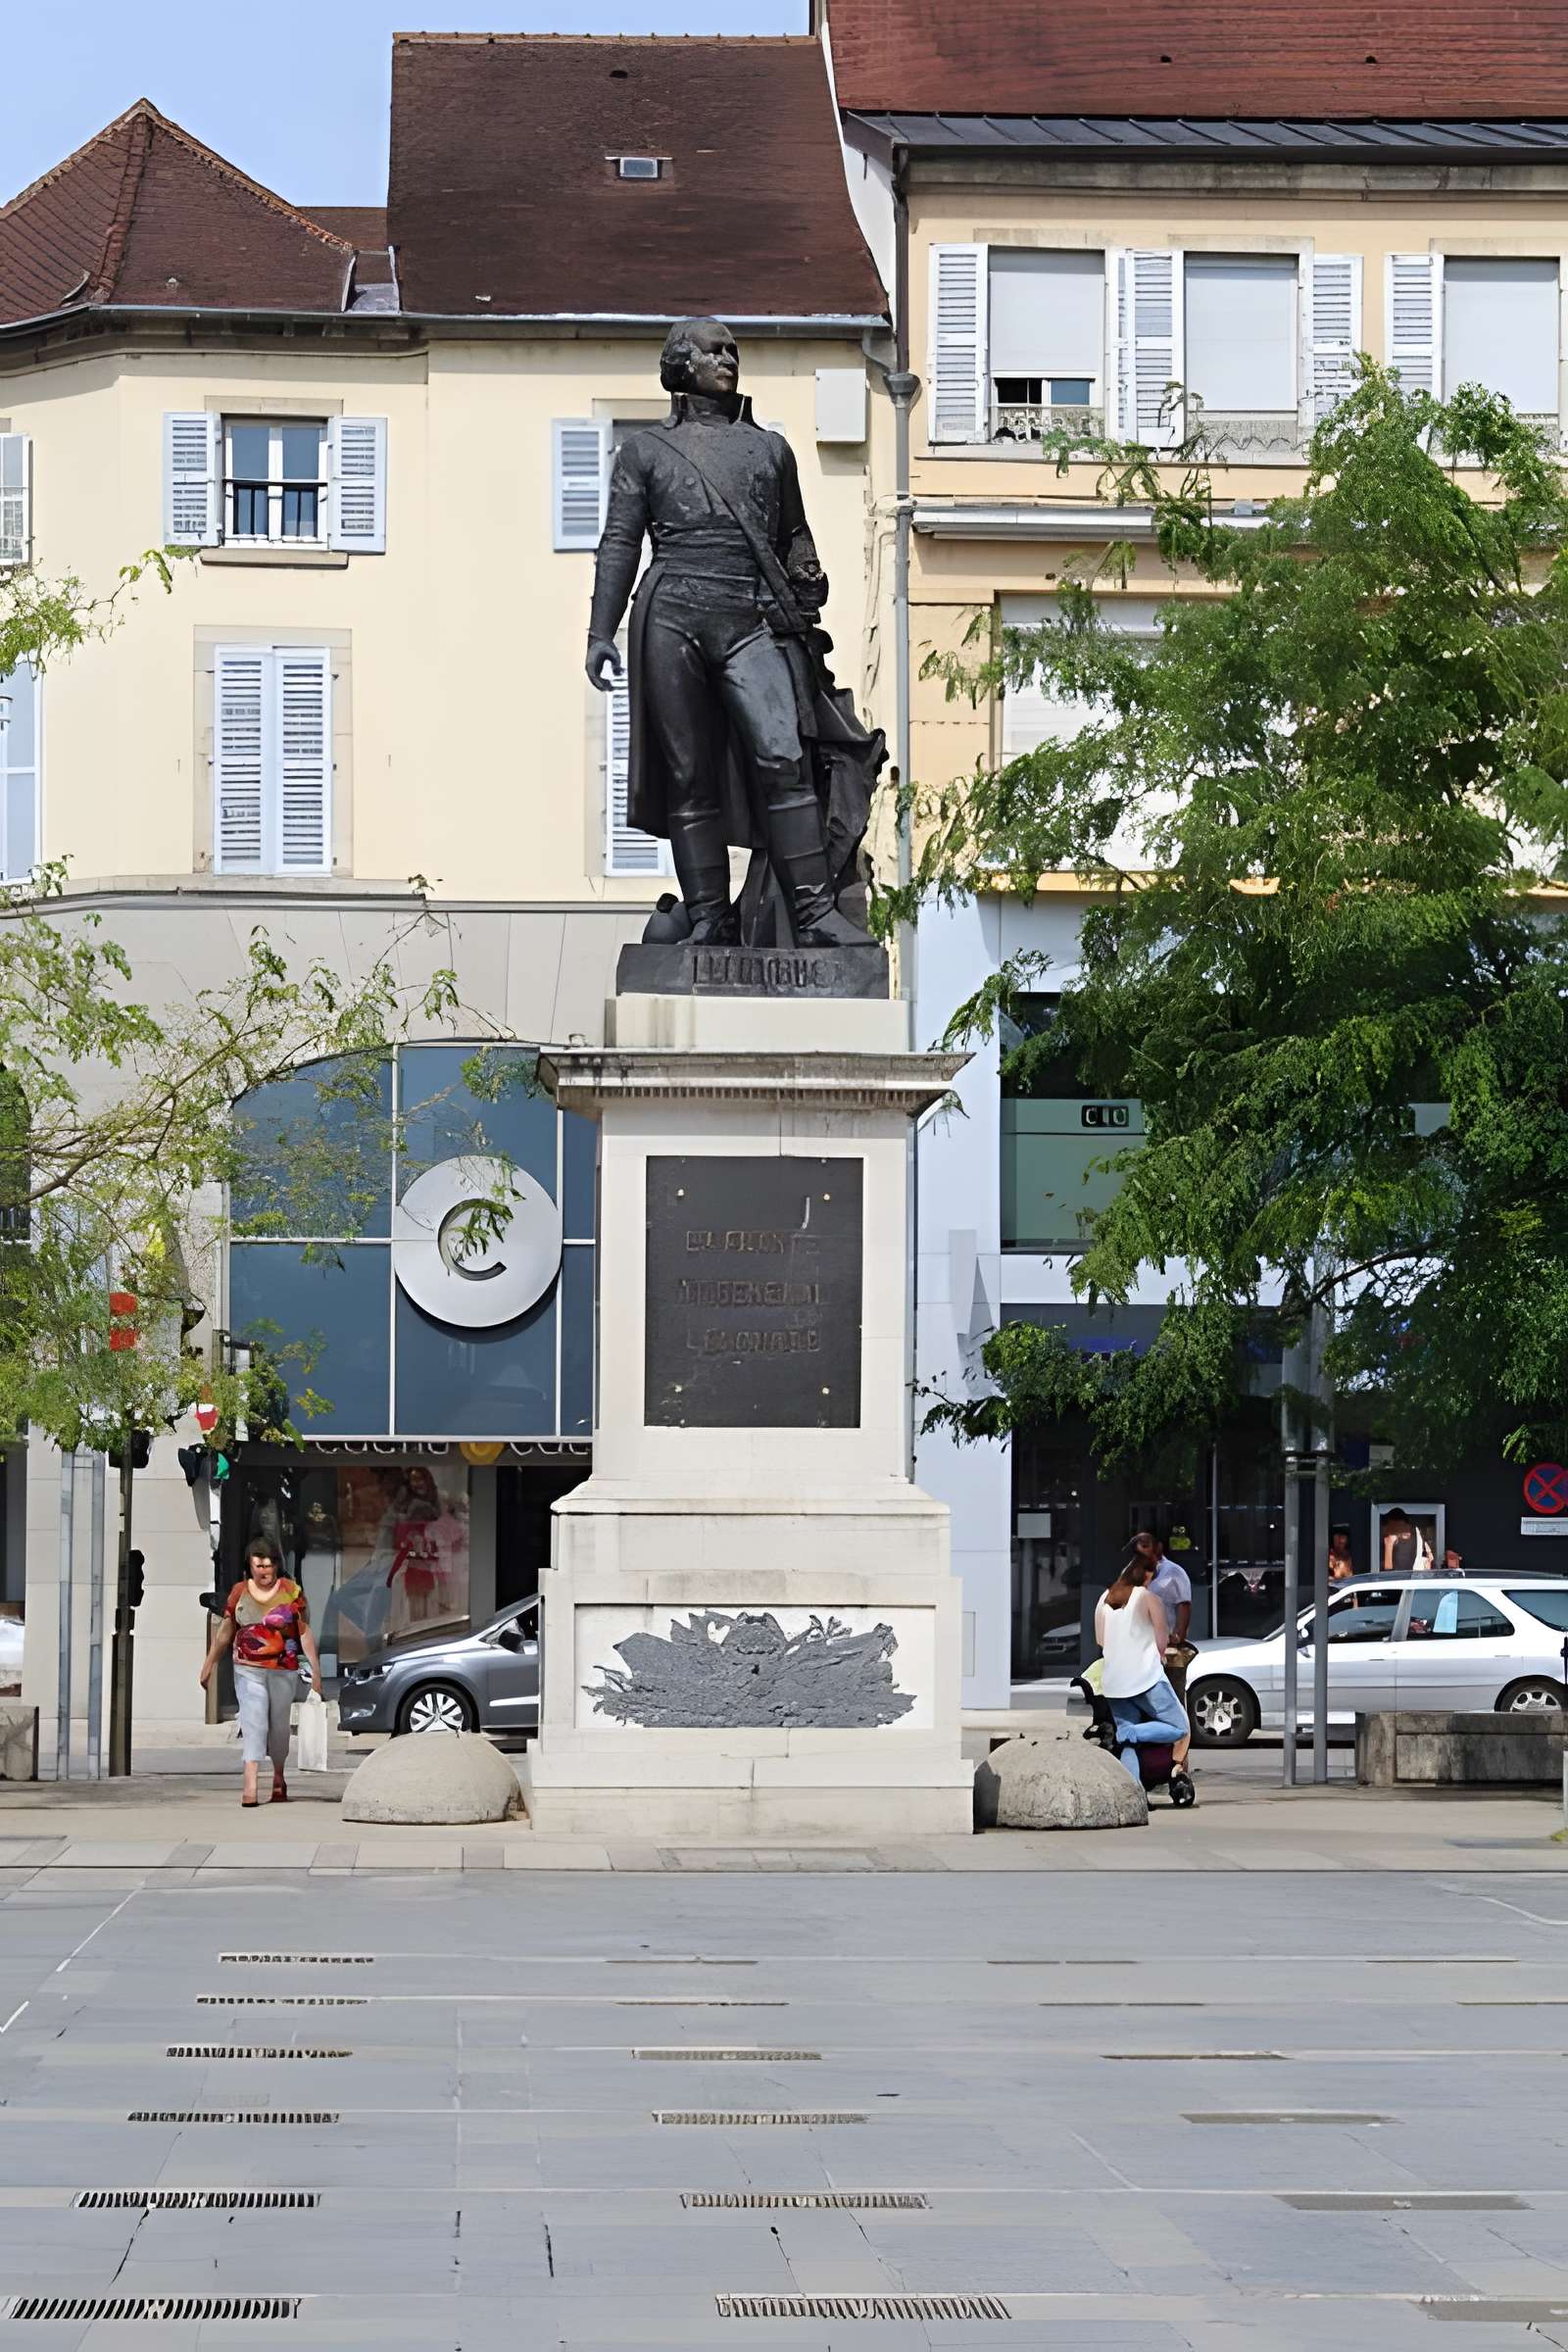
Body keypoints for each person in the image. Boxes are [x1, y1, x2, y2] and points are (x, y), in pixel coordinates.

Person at [585, 318, 879, 949]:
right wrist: (599, 630)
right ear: (681, 365)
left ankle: (812, 913)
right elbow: (619, 542)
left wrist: (807, 576)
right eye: (714, 349)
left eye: (733, 350)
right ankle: (711, 919)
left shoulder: (771, 449)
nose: (728, 357)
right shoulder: (643, 451)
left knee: (785, 757)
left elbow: (792, 535)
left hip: (751, 614)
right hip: (672, 614)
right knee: (689, 776)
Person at [200, 1537, 320, 1808]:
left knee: (279, 1726)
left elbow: (304, 1632)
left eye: (268, 1565)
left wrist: (316, 1671)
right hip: (248, 1668)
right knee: (254, 1721)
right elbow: (225, 1632)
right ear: (250, 1567)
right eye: (258, 1566)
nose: (264, 1571)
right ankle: (250, 1782)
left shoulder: (291, 1591)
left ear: (276, 1565)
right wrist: (209, 1664)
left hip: (283, 1669)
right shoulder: (239, 1592)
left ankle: (278, 1775)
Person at [1095, 1555, 1189, 1783]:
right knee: (1179, 1728)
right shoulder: (1148, 1598)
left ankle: (1133, 1794)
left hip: (1114, 1681)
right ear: (1146, 1576)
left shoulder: (1103, 1599)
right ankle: (1130, 1732)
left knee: (1129, 1744)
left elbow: (1101, 1641)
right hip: (1146, 1678)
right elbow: (1162, 1640)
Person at [1146, 1532, 1195, 1772]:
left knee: (1175, 1706)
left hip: (1169, 1650)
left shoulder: (1173, 1573)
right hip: (1145, 1652)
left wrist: (1179, 1635)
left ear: (1159, 1547)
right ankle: (1155, 1764)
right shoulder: (1136, 1574)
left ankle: (1180, 1767)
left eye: (1146, 1545)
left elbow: (1183, 1605)